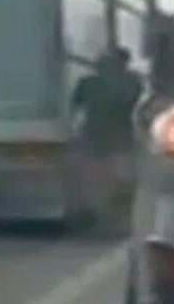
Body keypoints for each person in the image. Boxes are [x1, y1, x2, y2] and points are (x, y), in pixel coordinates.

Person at [71, 46, 144, 219]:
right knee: (121, 175)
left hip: (94, 136)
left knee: (95, 177)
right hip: (119, 136)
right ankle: (117, 208)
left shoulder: (88, 82)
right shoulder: (132, 81)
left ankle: (93, 209)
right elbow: (138, 107)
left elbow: (75, 105)